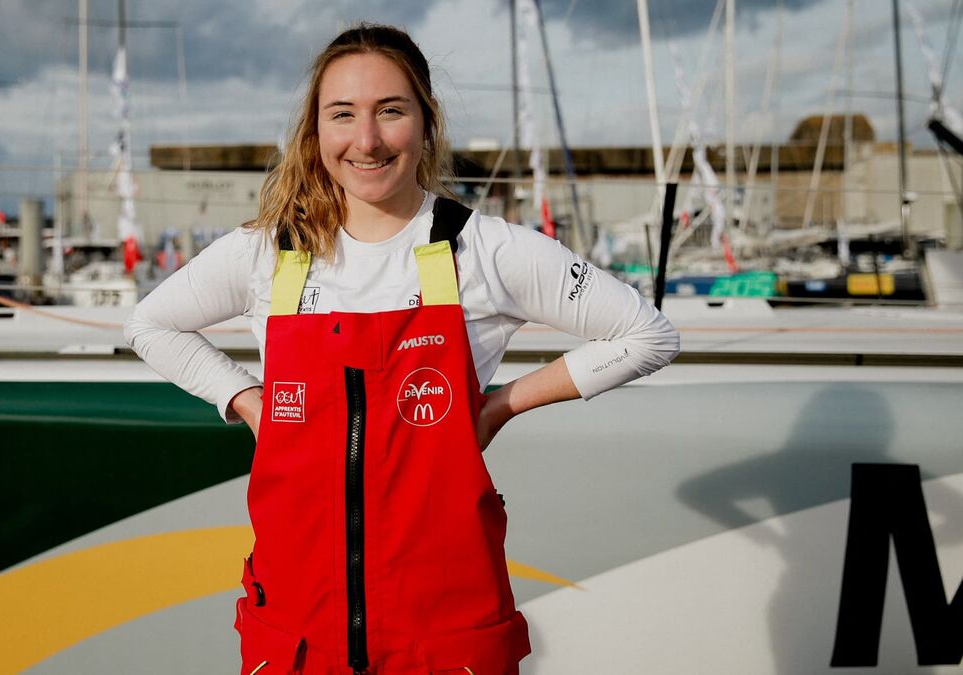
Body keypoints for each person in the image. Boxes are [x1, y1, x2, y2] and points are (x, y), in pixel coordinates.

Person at [125, 23, 679, 675]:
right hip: (296, 637)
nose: (367, 140)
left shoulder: (484, 249)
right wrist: (250, 402)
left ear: (425, 121)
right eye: (343, 115)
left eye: (390, 110)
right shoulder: (268, 252)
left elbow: (648, 333)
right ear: (315, 130)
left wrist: (500, 406)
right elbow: (149, 325)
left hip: (445, 640)